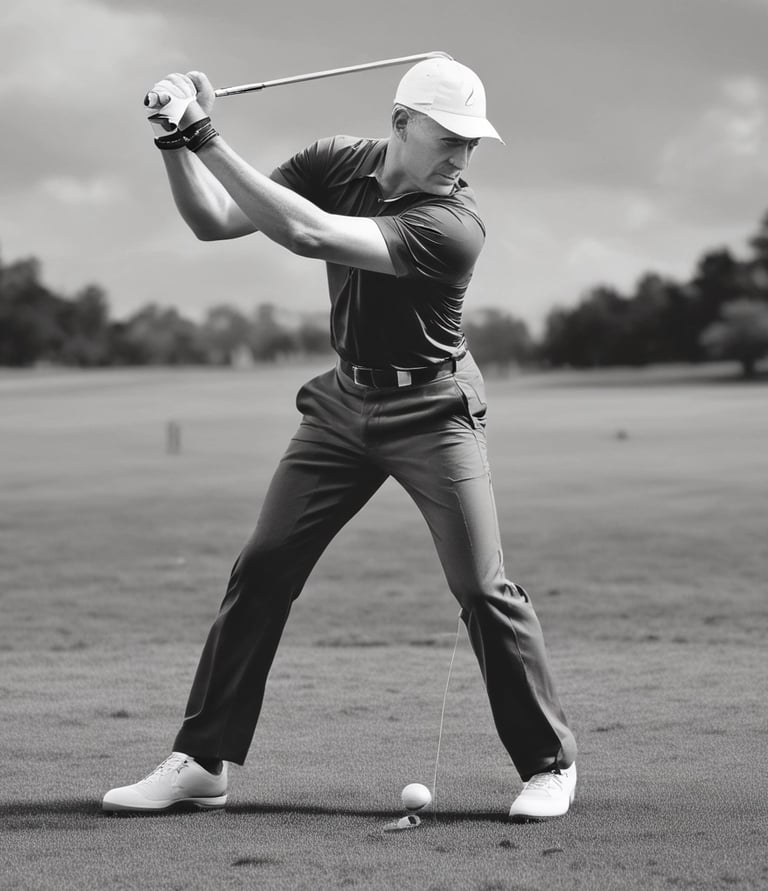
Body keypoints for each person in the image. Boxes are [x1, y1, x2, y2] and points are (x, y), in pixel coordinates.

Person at [102, 57, 577, 821]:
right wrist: (176, 141)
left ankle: (550, 764)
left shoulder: (454, 225)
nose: (461, 156)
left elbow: (302, 231)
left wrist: (204, 130)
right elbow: (215, 220)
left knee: (481, 587)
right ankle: (202, 762)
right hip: (342, 403)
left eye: (472, 144)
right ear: (400, 124)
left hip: (433, 408)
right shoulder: (336, 161)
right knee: (261, 566)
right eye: (449, 137)